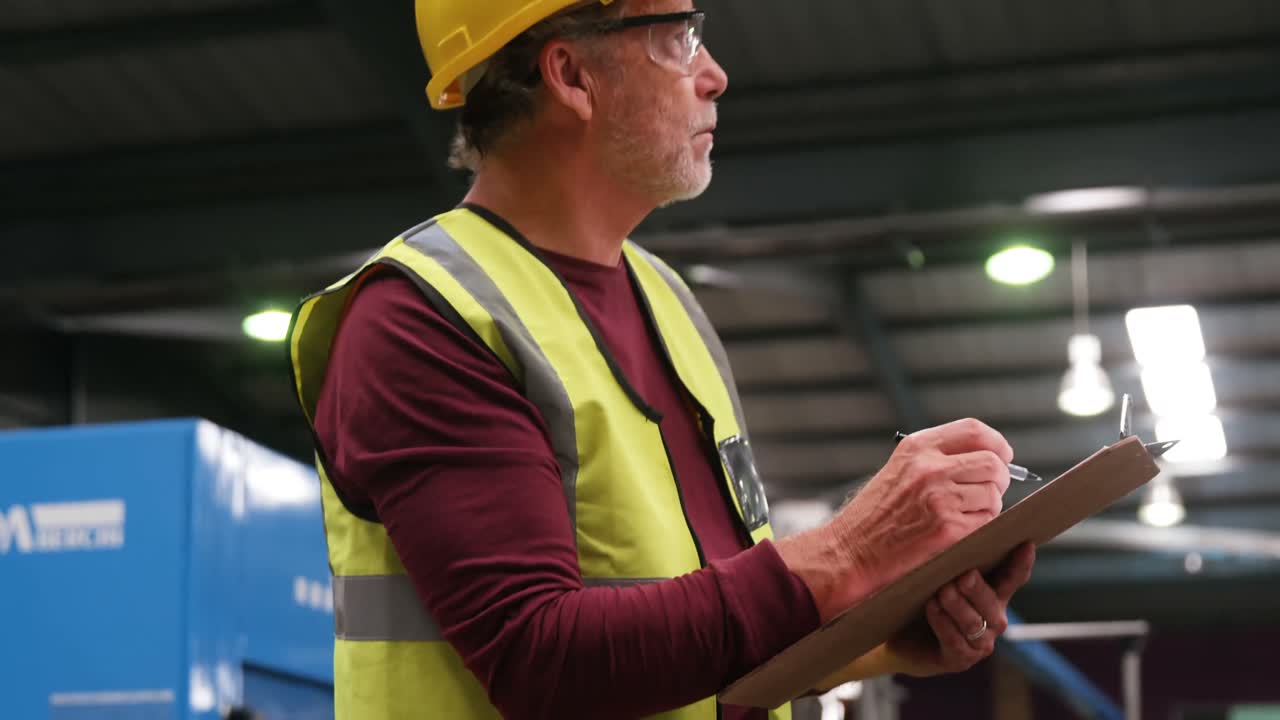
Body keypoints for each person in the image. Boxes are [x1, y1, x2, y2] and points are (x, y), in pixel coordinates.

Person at [286, 0, 1037, 718]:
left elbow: (707, 629)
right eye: (680, 37)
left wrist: (883, 641)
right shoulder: (420, 318)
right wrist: (848, 549)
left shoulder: (666, 299)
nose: (714, 75)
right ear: (571, 76)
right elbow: (541, 661)